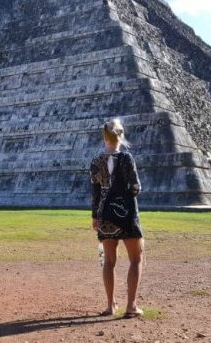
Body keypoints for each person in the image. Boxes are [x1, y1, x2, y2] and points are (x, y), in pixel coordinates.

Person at [89, 118, 144, 318]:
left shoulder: (96, 161)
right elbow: (135, 188)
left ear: (104, 136)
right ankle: (131, 306)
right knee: (136, 258)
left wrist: (95, 216)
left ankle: (110, 305)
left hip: (105, 216)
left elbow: (95, 192)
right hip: (126, 214)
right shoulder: (127, 158)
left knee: (109, 262)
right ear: (121, 135)